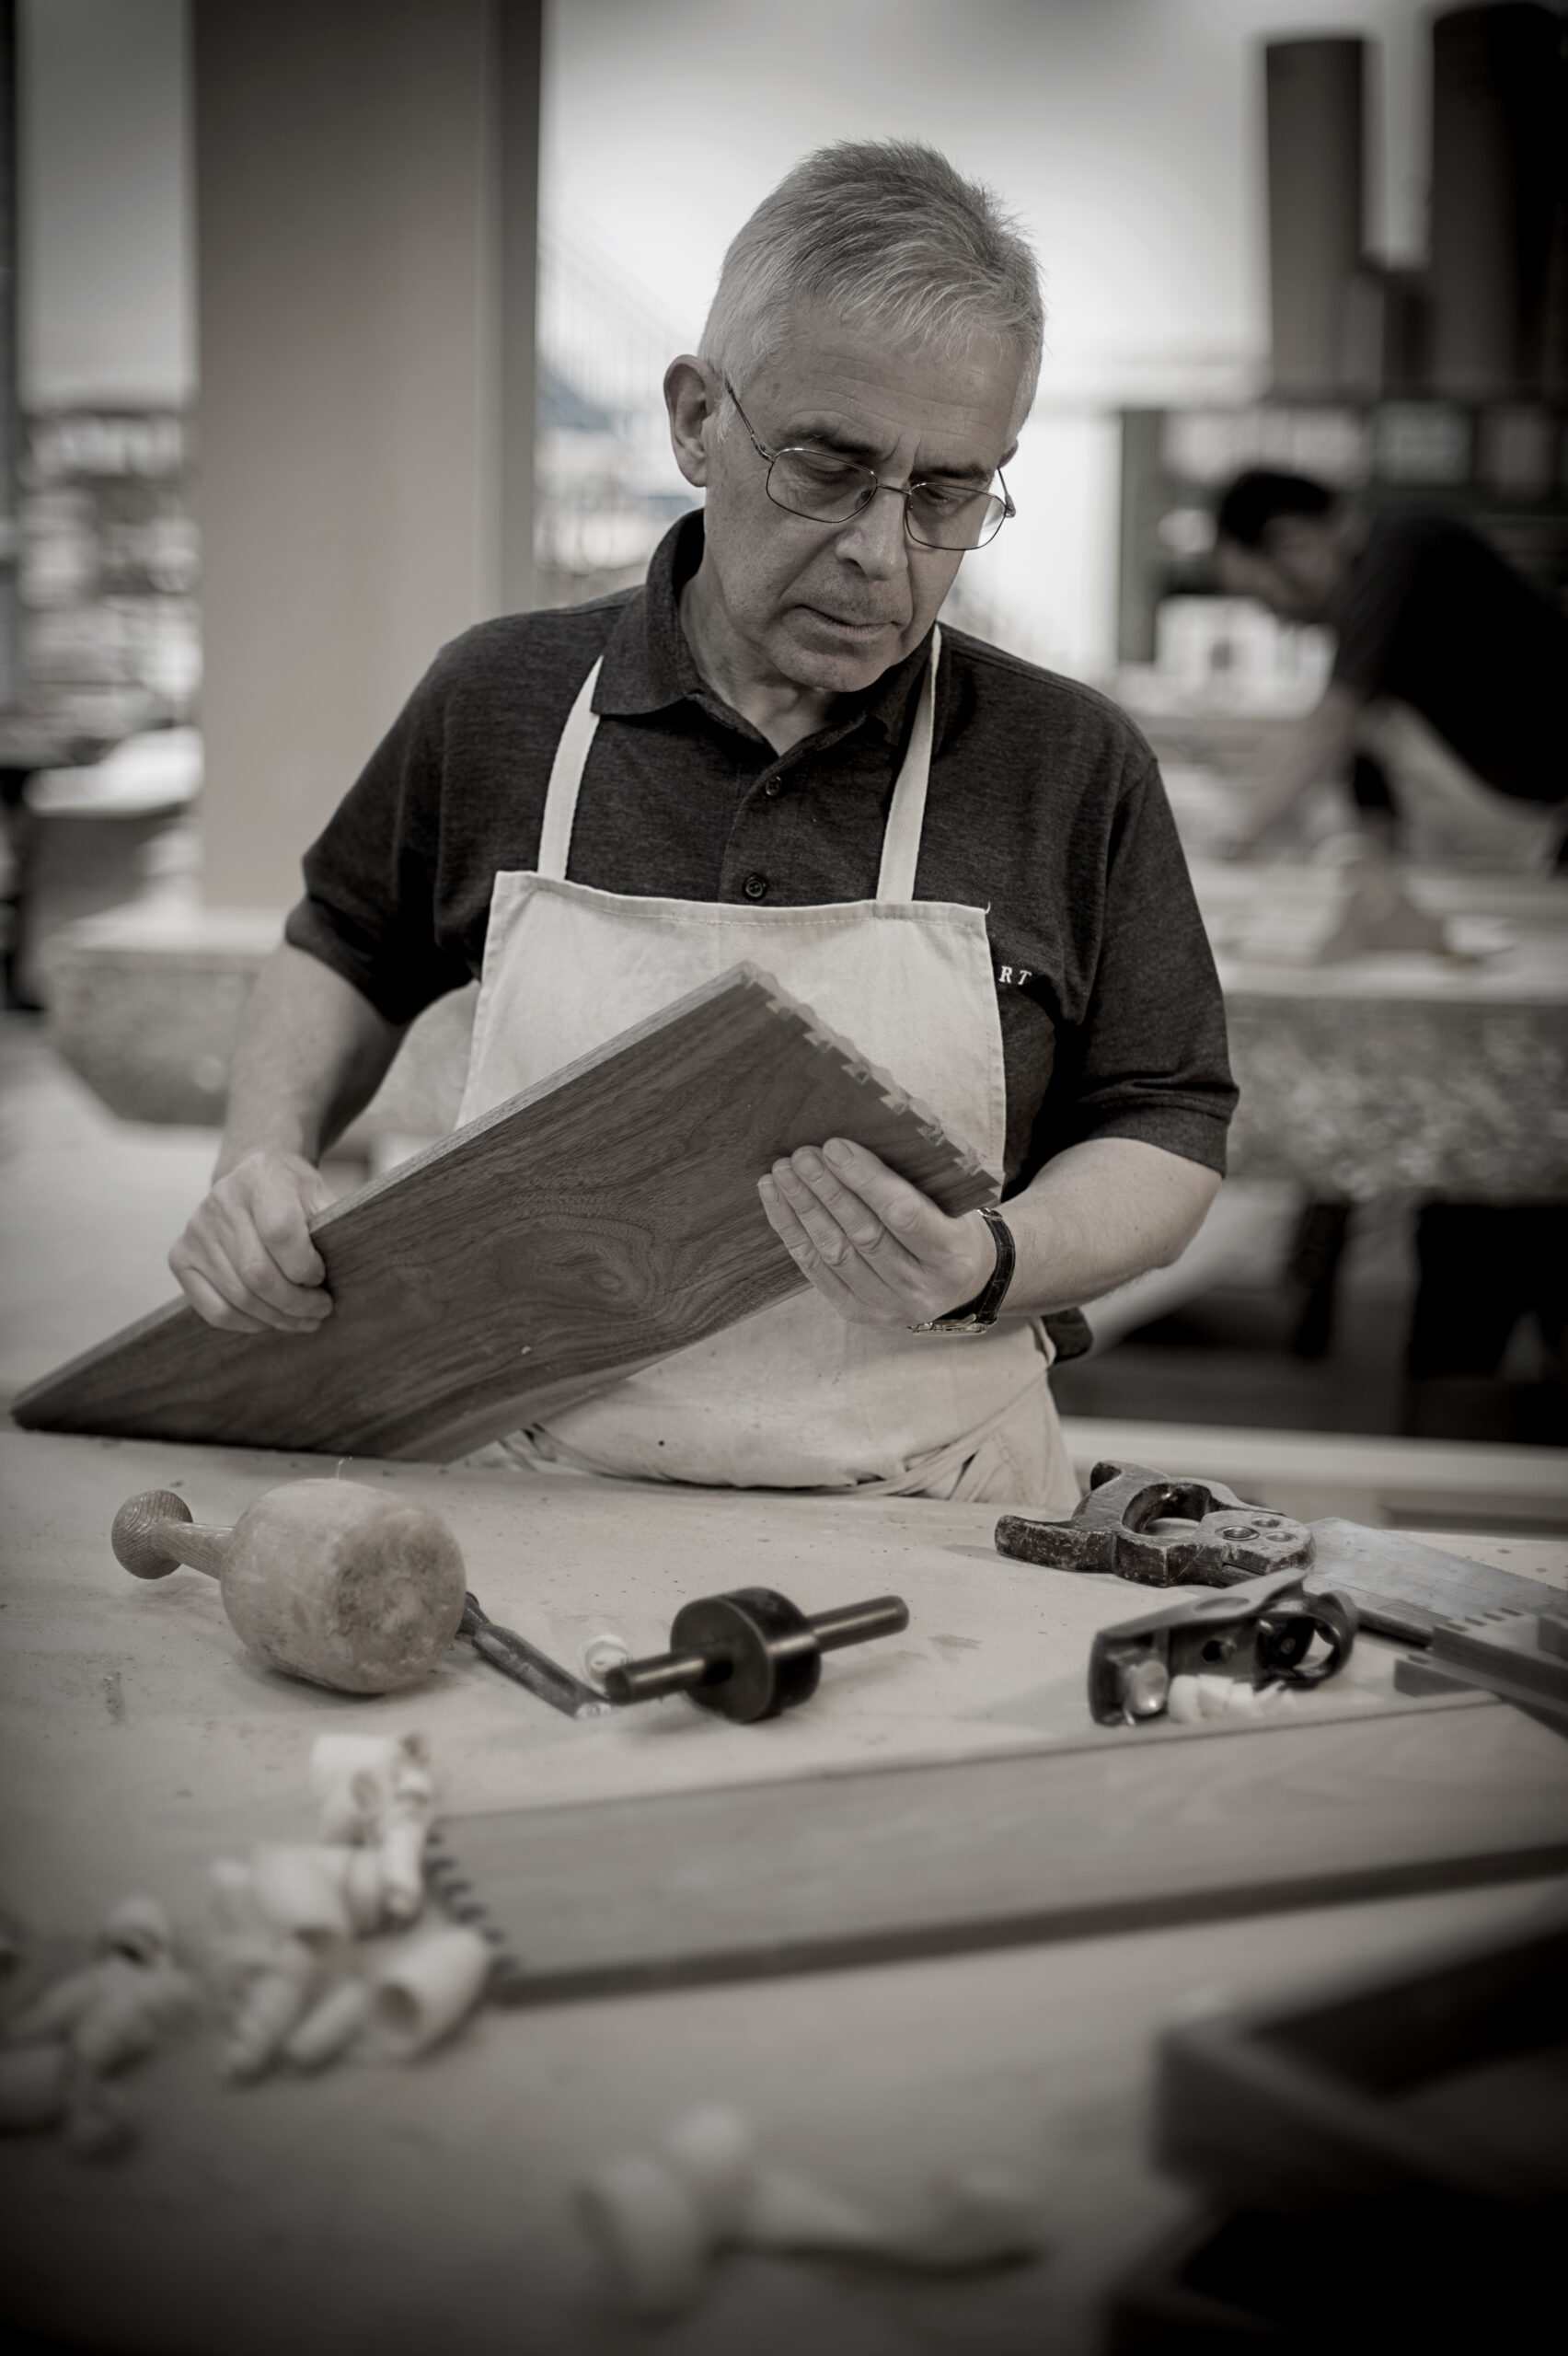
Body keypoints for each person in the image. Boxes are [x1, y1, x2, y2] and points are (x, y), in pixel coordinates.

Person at [169, 140, 1235, 1508]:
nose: (880, 551)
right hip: (542, 1487)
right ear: (694, 421)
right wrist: (264, 1156)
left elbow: (1167, 1120)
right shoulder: (501, 701)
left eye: (948, 495)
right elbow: (346, 946)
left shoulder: (1066, 762)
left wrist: (995, 1262)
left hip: (941, 1504)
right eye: (828, 468)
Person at [1212, 469, 1568, 863]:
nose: (1278, 619)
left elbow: (1331, 725)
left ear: (1295, 545)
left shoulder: (1401, 550)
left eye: (1264, 596)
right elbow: (1366, 748)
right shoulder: (1378, 598)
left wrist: (1237, 842)